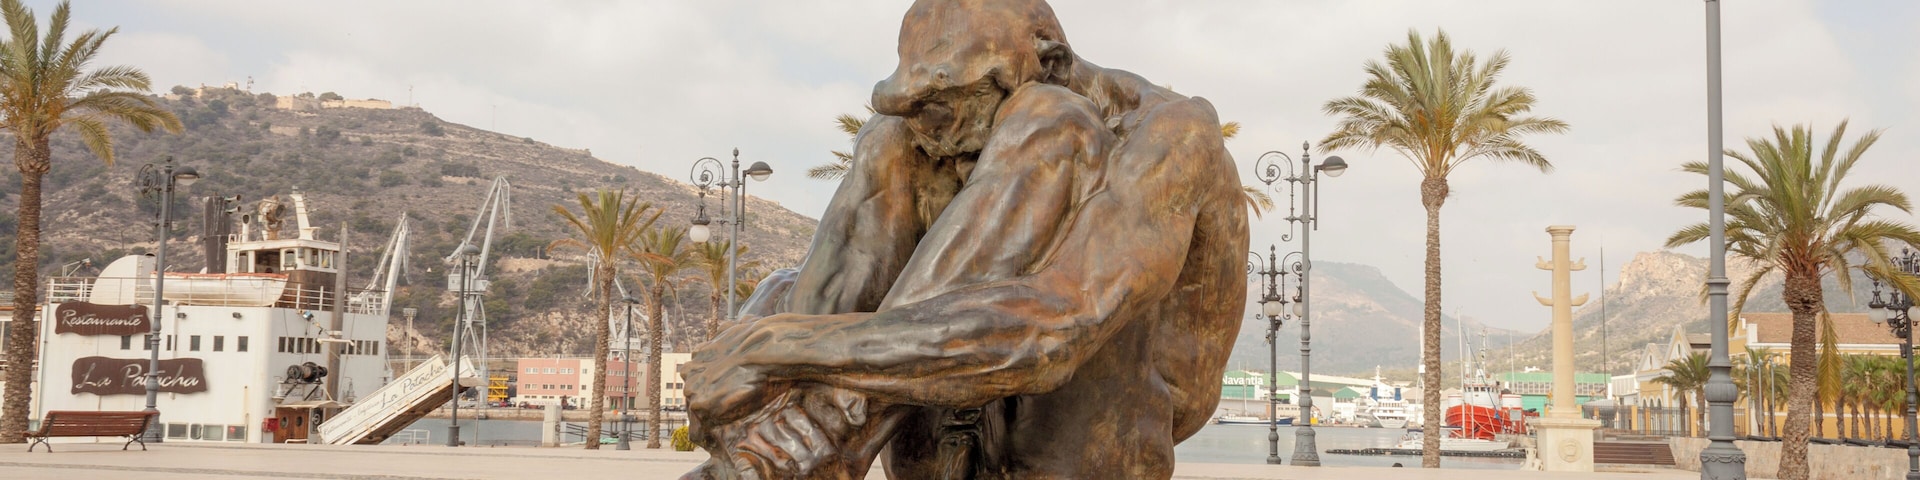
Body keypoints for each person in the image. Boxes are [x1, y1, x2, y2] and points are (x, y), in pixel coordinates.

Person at [682, 1, 1247, 478]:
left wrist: (771, 348)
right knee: (884, 144)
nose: (932, 133)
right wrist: (765, 354)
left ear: (1048, 63)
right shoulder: (910, 138)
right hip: (939, 404)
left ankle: (828, 422)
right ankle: (792, 435)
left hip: (1088, 426)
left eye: (947, 109)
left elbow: (1057, 327)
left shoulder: (1170, 135)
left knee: (1051, 127)